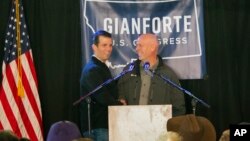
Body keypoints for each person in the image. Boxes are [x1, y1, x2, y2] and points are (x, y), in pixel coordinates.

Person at [118, 33, 186, 116]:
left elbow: (179, 107)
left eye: (140, 45)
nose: (136, 49)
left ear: (152, 48)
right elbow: (120, 97)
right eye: (137, 45)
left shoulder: (168, 75)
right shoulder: (129, 70)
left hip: (159, 127)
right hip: (131, 125)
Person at [79, 30, 123, 141]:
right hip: (97, 128)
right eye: (104, 45)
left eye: (110, 45)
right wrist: (120, 104)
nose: (108, 49)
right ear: (94, 47)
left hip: (103, 126)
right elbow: (102, 96)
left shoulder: (100, 67)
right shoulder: (92, 69)